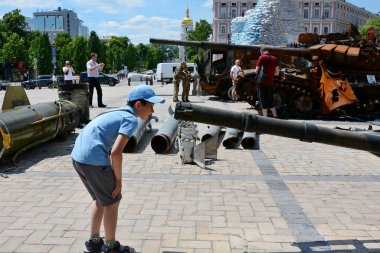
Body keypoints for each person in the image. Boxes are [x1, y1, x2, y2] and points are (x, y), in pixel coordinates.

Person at [71, 84, 165, 253]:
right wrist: (118, 181)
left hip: (78, 157)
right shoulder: (130, 119)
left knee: (100, 199)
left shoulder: (117, 112)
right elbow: (116, 153)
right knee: (113, 201)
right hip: (94, 160)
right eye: (150, 106)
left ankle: (94, 243)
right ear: (138, 105)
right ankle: (110, 246)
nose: (152, 111)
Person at [255, 47, 280, 117]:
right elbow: (277, 73)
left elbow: (256, 71)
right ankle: (275, 116)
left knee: (262, 98)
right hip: (270, 82)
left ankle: (265, 118)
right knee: (270, 99)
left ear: (262, 51)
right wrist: (270, 74)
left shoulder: (261, 57)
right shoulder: (275, 58)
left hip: (261, 82)